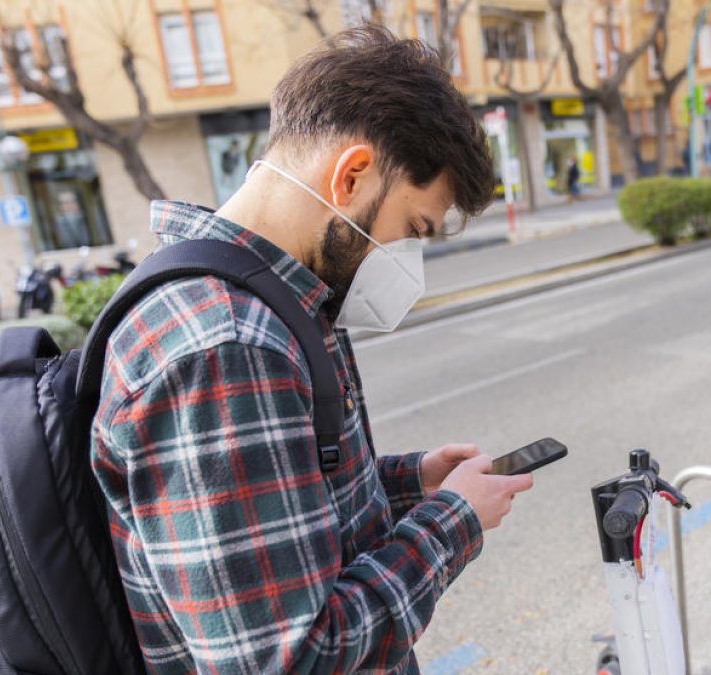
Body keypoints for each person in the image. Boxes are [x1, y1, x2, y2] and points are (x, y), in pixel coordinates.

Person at [91, 27, 531, 674]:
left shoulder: (268, 303)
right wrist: (454, 521)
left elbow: (286, 501)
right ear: (352, 175)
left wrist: (412, 481)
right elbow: (288, 659)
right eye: (414, 229)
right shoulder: (230, 344)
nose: (409, 261)